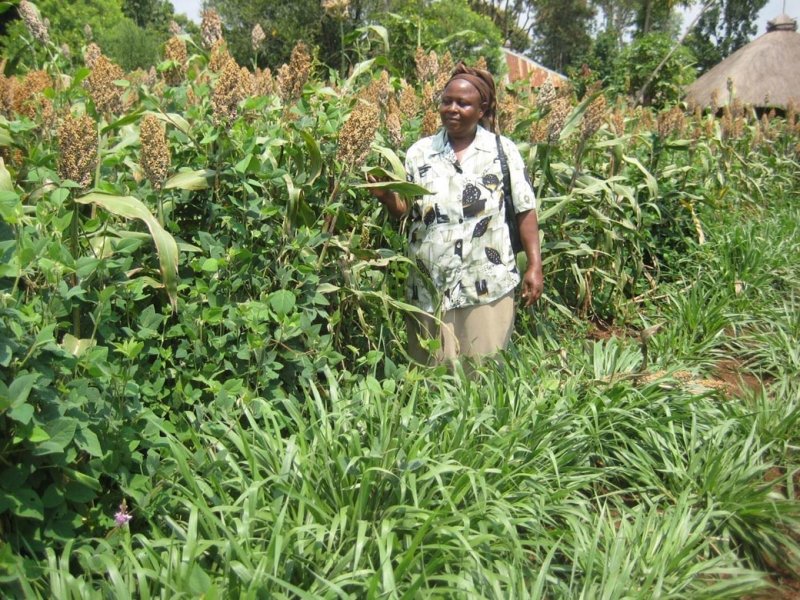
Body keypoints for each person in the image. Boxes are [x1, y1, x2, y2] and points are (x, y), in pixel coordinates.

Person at [369, 62, 543, 365]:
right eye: (446, 101)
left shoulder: (502, 151)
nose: (452, 108)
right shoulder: (419, 152)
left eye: (463, 103)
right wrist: (386, 196)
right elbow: (406, 213)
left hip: (487, 282)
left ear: (481, 109)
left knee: (483, 372)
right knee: (432, 375)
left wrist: (534, 266)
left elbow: (525, 210)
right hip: (430, 284)